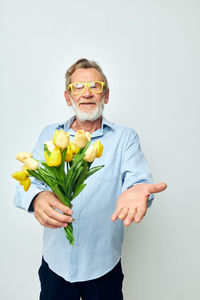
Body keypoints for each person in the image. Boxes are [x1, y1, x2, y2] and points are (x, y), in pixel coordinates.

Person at [14, 58, 167, 300]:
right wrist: (37, 197)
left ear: (106, 95)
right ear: (68, 97)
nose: (86, 93)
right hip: (55, 265)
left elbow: (137, 181)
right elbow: (29, 181)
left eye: (95, 86)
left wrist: (138, 191)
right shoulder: (50, 134)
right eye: (78, 87)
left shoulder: (125, 138)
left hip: (104, 267)